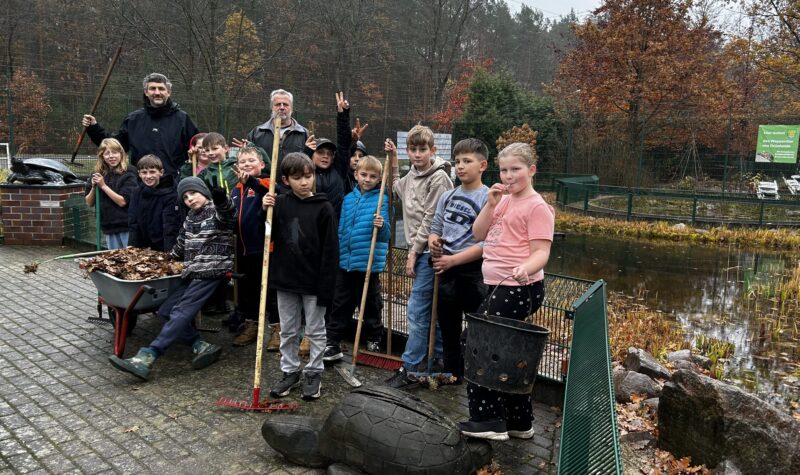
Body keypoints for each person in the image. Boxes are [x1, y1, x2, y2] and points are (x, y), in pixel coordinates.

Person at [458, 142, 554, 441]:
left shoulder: (537, 207)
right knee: (507, 353)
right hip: (498, 286)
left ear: (532, 170)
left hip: (517, 288)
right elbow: (478, 233)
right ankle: (519, 422)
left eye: (516, 169)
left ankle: (488, 420)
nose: (509, 176)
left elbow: (541, 252)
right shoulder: (503, 200)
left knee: (479, 346)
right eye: (504, 170)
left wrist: (526, 267)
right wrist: (490, 203)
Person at [108, 177, 235, 381]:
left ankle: (148, 355)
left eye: (193, 193)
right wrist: (159, 259)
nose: (189, 199)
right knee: (166, 311)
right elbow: (179, 247)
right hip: (192, 272)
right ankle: (201, 345)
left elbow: (228, 214)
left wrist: (221, 199)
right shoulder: (191, 217)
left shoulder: (215, 212)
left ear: (204, 192)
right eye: (185, 197)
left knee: (181, 311)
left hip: (212, 271)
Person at [261, 153, 338, 400]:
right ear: (286, 180)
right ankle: (290, 371)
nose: (305, 182)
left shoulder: (324, 208)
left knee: (315, 330)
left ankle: (314, 372)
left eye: (308, 176)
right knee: (288, 330)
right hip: (285, 279)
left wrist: (327, 287)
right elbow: (268, 237)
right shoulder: (280, 204)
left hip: (314, 282)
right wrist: (265, 211)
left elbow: (330, 251)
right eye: (297, 178)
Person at [383, 125, 453, 388]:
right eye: (412, 149)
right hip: (419, 250)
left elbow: (431, 219)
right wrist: (392, 160)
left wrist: (412, 254)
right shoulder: (412, 175)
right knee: (427, 311)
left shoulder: (439, 179)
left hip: (430, 253)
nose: (417, 154)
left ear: (432, 150)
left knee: (416, 311)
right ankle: (437, 361)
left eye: (422, 149)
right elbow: (396, 188)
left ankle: (410, 367)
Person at [428, 138, 490, 383]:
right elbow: (436, 227)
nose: (461, 166)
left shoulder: (489, 198)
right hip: (445, 269)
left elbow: (487, 244)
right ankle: (453, 375)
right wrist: (433, 241)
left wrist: (453, 261)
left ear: (482, 165)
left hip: (472, 272)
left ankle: (478, 377)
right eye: (457, 162)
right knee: (448, 326)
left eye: (467, 161)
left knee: (476, 326)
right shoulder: (448, 196)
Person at [323, 155, 390, 361]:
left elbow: (386, 235)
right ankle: (333, 341)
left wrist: (382, 225)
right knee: (340, 303)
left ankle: (374, 338)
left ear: (379, 179)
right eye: (363, 175)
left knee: (370, 303)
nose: (367, 179)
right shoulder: (348, 199)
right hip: (346, 262)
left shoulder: (382, 200)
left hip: (367, 264)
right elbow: (342, 230)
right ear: (356, 175)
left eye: (372, 176)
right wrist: (339, 255)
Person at [82, 73, 198, 177]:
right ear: (146, 92)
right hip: (141, 184)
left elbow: (197, 149)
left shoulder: (182, 119)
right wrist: (93, 128)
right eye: (152, 88)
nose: (157, 92)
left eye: (161, 89)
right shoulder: (133, 120)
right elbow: (113, 146)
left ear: (168, 92)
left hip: (173, 184)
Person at [229, 146, 281, 349]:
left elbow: (271, 192)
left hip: (265, 248)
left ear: (262, 164)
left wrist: (251, 181)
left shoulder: (265, 182)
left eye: (251, 161)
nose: (246, 165)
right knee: (248, 291)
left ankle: (277, 330)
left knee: (270, 292)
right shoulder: (235, 189)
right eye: (242, 162)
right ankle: (251, 326)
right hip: (243, 250)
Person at [234, 89, 307, 193]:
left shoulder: (304, 134)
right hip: (263, 191)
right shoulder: (257, 132)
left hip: (293, 191)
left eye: (285, 104)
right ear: (272, 107)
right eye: (277, 104)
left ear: (292, 108)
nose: (281, 107)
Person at [302, 92, 352, 217]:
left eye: (329, 154)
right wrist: (307, 152)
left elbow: (344, 142)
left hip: (335, 226)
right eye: (320, 152)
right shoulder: (306, 173)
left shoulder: (339, 170)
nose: (325, 156)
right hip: (310, 225)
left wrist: (343, 115)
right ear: (312, 154)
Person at [84, 138, 138, 249]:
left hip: (126, 225)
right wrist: (94, 188)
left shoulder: (129, 171)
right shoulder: (97, 174)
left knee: (130, 261)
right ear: (102, 156)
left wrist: (103, 186)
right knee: (114, 261)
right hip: (108, 225)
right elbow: (89, 203)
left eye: (114, 152)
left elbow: (123, 201)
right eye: (107, 153)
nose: (111, 156)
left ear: (121, 154)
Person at [128, 154, 181, 252]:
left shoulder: (171, 193)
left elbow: (170, 227)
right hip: (144, 246)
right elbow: (133, 222)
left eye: (152, 172)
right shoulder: (136, 192)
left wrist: (169, 254)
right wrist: (132, 249)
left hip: (163, 246)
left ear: (161, 172)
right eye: (144, 172)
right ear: (139, 174)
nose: (148, 176)